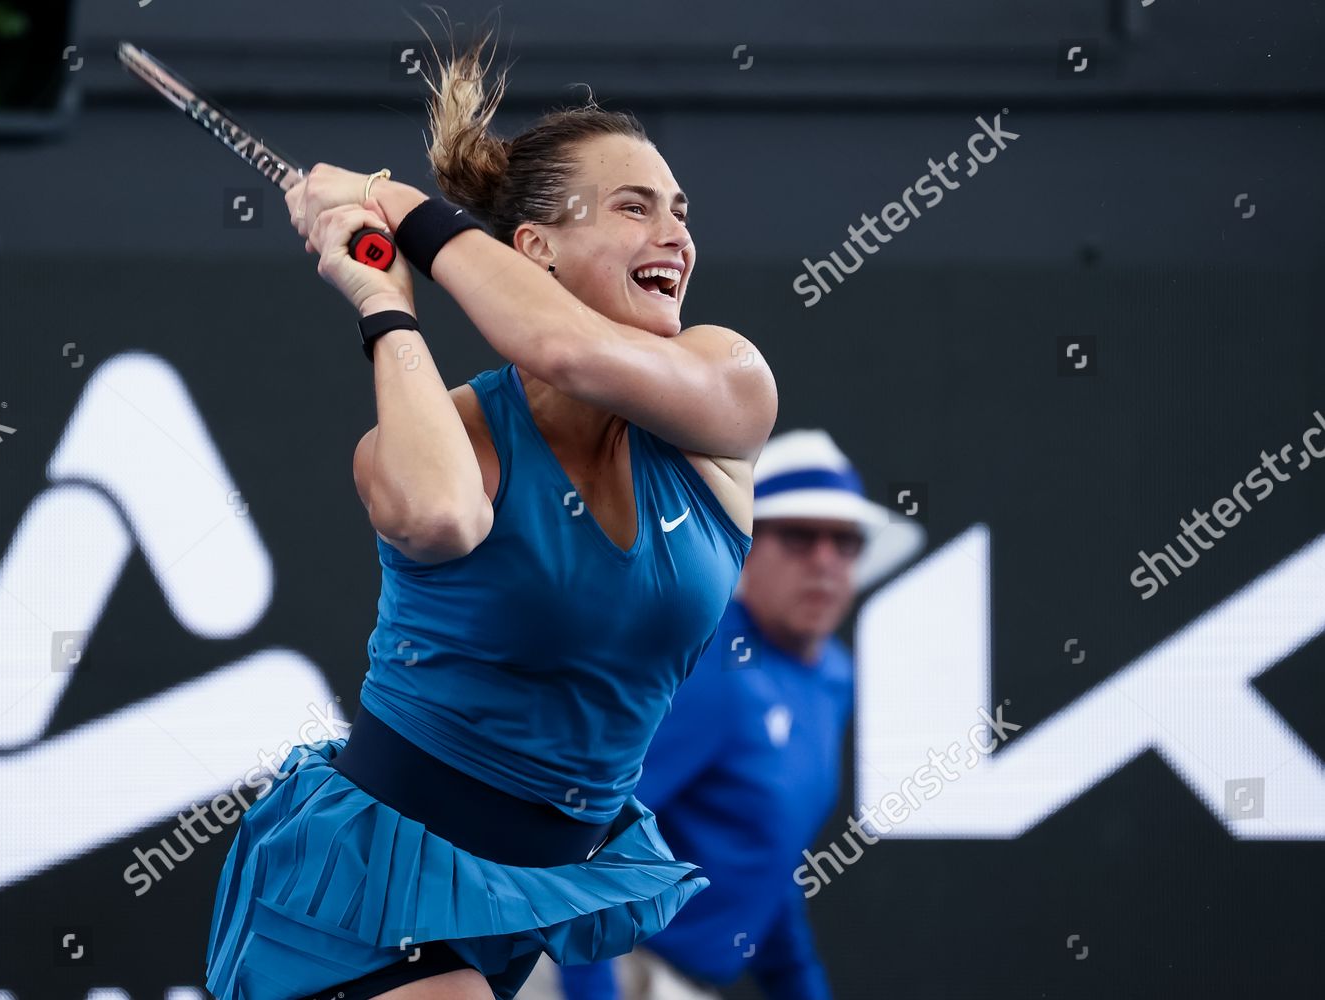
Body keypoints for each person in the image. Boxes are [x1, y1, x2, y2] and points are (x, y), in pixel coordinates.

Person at [203, 24, 778, 1000]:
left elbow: (564, 351)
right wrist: (382, 299)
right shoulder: (450, 434)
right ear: (535, 248)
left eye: (680, 211)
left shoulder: (727, 382)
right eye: (634, 209)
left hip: (528, 895)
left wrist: (407, 211)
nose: (676, 233)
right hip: (366, 896)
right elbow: (437, 516)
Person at [517, 429, 925, 1000]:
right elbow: (581, 837)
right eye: (801, 537)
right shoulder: (707, 666)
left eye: (845, 541)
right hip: (596, 970)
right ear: (748, 547)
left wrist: (799, 985)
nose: (825, 561)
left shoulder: (832, 677)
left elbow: (766, 858)